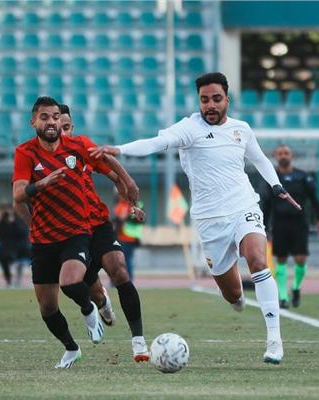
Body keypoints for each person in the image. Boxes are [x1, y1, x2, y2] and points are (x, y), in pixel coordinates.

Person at [90, 72, 302, 365]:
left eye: (216, 99)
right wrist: (120, 150)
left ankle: (274, 340)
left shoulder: (241, 129)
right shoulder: (189, 128)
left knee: (257, 259)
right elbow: (156, 142)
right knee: (232, 294)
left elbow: (260, 159)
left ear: (227, 100)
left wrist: (277, 187)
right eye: (204, 100)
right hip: (210, 221)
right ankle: (238, 297)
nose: (210, 105)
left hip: (244, 206)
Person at [12, 96, 139, 369]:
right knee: (48, 307)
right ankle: (72, 348)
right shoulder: (25, 152)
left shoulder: (78, 146)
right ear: (33, 121)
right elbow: (18, 196)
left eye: (56, 118)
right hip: (44, 238)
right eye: (45, 117)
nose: (52, 122)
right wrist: (41, 189)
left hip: (80, 229)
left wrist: (128, 185)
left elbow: (109, 164)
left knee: (78, 280)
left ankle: (99, 313)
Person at [58, 104, 149, 362]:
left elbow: (111, 169)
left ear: (72, 128)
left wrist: (131, 199)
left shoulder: (80, 148)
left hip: (97, 224)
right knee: (92, 291)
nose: (63, 133)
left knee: (119, 270)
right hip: (71, 232)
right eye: (59, 128)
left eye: (67, 127)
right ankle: (101, 304)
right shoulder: (42, 157)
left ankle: (139, 342)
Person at [259, 144, 319, 309]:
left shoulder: (303, 177)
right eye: (280, 153)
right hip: (279, 224)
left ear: (292, 156)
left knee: (300, 259)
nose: (283, 156)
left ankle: (295, 288)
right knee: (280, 259)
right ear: (275, 156)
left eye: (286, 153)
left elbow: (314, 200)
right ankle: (282, 296)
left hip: (299, 223)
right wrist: (264, 226)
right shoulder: (272, 178)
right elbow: (266, 204)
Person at [113, 197, 144, 281]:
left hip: (130, 237)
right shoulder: (119, 205)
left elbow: (140, 219)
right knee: (118, 259)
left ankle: (128, 278)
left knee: (126, 259)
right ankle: (119, 278)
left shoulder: (135, 205)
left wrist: (126, 217)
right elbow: (116, 220)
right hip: (120, 236)